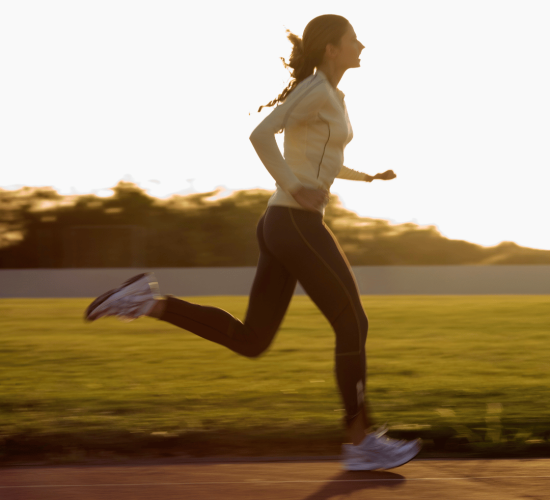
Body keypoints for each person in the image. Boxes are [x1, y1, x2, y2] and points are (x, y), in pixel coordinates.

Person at [85, 14, 421, 470]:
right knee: (352, 322)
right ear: (331, 49)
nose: (362, 45)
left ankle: (145, 303)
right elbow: (261, 135)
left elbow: (321, 157)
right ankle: (360, 442)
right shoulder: (317, 89)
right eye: (353, 39)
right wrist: (295, 185)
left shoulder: (332, 95)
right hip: (294, 222)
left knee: (252, 339)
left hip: (284, 223)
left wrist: (365, 176)